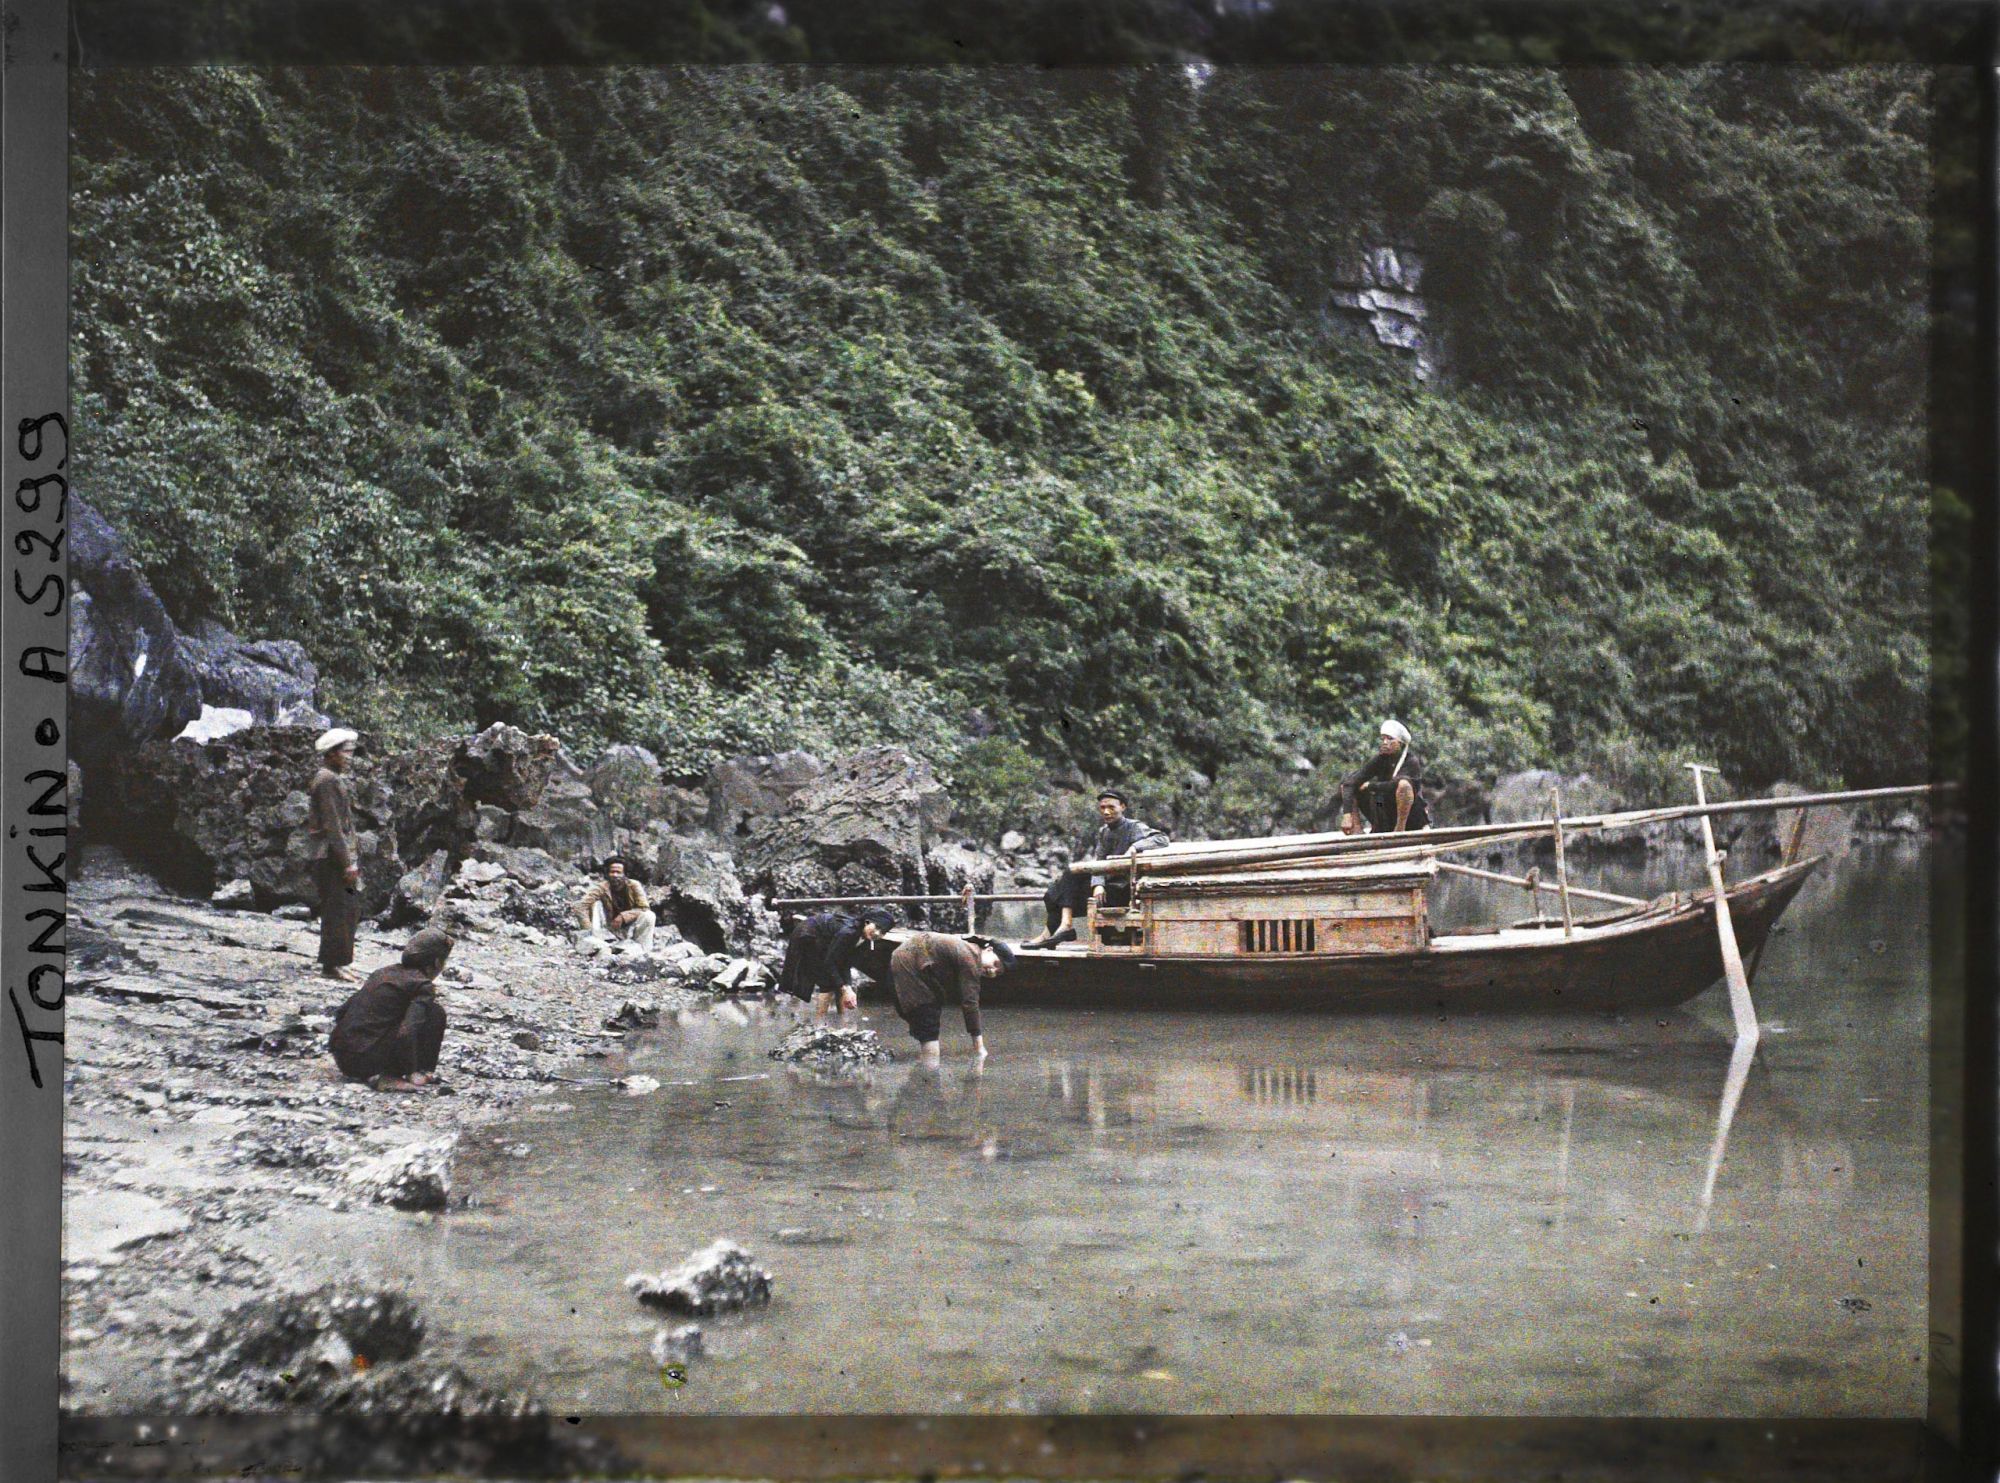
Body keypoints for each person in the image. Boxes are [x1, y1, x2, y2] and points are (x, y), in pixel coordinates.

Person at [1024, 789, 1170, 949]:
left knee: (1064, 883)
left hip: (1123, 889)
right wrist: (1098, 884)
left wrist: (1135, 846)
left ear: (1123, 807)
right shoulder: (1104, 832)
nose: (1106, 812)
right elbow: (1098, 862)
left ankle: (1058, 930)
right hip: (1107, 887)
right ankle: (1055, 932)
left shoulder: (1134, 827)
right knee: (1056, 888)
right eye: (1102, 807)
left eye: (1111, 807)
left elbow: (1162, 838)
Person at [329, 927, 454, 1090]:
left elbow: (341, 1012)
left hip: (342, 1057)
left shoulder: (383, 973)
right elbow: (406, 1033)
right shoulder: (422, 985)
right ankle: (397, 1075)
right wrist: (410, 1070)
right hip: (365, 1062)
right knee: (435, 1013)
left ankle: (383, 1068)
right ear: (437, 963)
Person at [887, 931, 1013, 1063]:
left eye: (997, 973)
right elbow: (970, 1003)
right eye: (996, 964)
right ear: (988, 949)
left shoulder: (966, 948)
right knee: (929, 1027)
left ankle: (923, 1070)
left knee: (928, 1020)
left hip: (903, 961)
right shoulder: (970, 957)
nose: (992, 971)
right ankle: (930, 1074)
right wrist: (979, 1048)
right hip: (907, 966)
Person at [307, 727, 363, 982]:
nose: (349, 757)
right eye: (345, 752)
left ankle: (339, 962)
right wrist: (347, 862)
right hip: (330, 856)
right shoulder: (327, 780)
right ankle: (332, 964)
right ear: (331, 754)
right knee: (338, 908)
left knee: (345, 907)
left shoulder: (328, 778)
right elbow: (333, 827)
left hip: (332, 855)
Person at [779, 906, 895, 1015]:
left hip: (824, 938)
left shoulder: (864, 938)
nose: (878, 933)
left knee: (838, 983)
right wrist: (845, 988)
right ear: (867, 922)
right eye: (877, 928)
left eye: (883, 932)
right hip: (808, 934)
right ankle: (820, 1024)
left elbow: (846, 962)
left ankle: (842, 1020)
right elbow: (830, 962)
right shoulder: (848, 933)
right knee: (827, 982)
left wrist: (847, 986)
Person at [1339, 719, 1430, 834]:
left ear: (1400, 743)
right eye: (1383, 739)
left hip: (1411, 819)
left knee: (1403, 785)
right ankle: (1357, 832)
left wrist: (1371, 786)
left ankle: (1399, 831)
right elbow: (1349, 783)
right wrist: (1347, 814)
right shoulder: (1381, 759)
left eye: (1390, 739)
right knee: (1351, 786)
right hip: (1385, 812)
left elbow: (1395, 785)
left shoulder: (1411, 761)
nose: (1385, 742)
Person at [575, 858, 657, 950]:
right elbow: (580, 906)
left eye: (618, 872)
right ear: (607, 874)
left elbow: (644, 908)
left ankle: (644, 950)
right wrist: (588, 929)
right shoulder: (602, 887)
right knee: (595, 904)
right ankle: (595, 943)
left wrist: (623, 916)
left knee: (649, 916)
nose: (615, 875)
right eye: (612, 872)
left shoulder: (634, 885)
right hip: (607, 928)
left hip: (629, 926)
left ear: (625, 875)